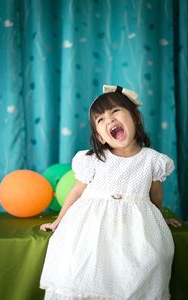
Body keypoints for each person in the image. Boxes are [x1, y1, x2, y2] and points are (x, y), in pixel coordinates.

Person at [40, 85, 181, 300]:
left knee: (151, 261)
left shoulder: (152, 160)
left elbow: (156, 196)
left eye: (115, 112)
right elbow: (77, 191)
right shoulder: (93, 159)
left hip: (134, 224)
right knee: (80, 265)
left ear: (135, 117)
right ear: (101, 137)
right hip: (92, 222)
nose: (109, 120)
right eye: (101, 120)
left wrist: (160, 218)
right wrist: (58, 220)